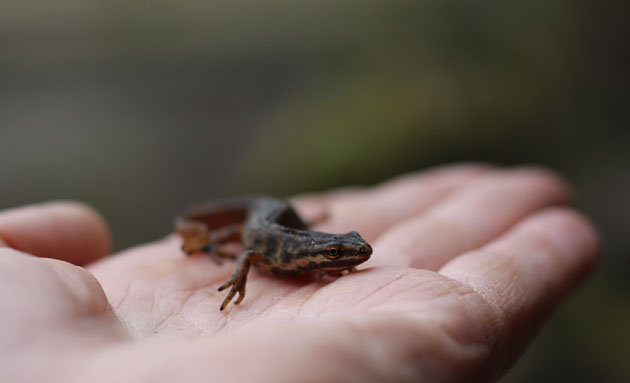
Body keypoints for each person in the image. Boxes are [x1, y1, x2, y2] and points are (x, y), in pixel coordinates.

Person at [0, 164, 599, 382]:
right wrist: (237, 280)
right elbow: (253, 253)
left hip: (279, 217)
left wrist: (323, 259)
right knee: (253, 227)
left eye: (347, 252)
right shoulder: (279, 253)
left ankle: (297, 216)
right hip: (261, 222)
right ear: (318, 255)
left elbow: (314, 247)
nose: (353, 259)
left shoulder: (308, 254)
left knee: (282, 215)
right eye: (341, 255)